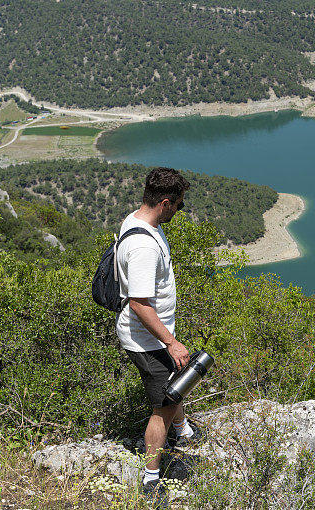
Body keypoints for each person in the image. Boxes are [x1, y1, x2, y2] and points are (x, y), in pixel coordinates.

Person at [115, 167, 200, 497]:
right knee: (164, 404)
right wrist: (171, 341)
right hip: (147, 339)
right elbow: (139, 304)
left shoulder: (135, 220)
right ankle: (151, 478)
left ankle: (184, 430)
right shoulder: (144, 249)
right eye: (179, 205)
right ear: (165, 203)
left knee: (175, 384)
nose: (179, 210)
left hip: (153, 335)